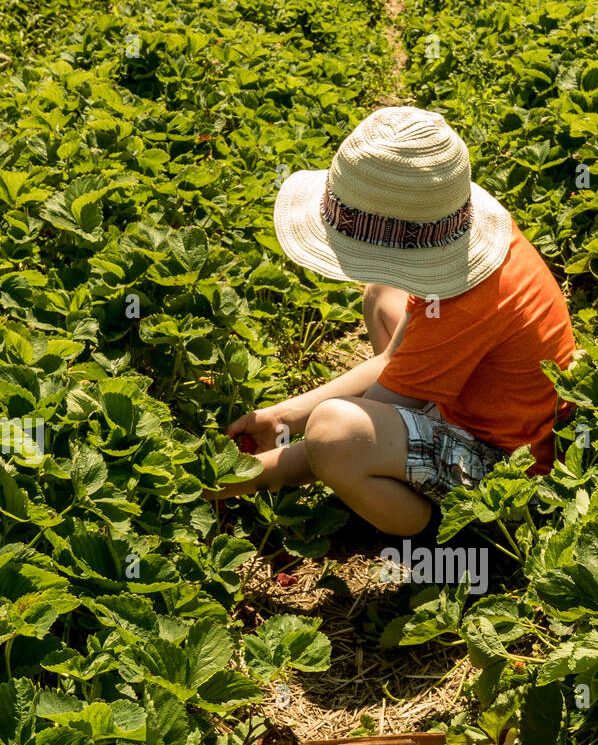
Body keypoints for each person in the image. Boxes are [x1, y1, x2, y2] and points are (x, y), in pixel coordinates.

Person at [214, 106, 575, 537]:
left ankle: (442, 529)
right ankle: (394, 457)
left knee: (335, 434)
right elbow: (392, 361)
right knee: (381, 293)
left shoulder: (464, 301)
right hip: (470, 402)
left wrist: (243, 477)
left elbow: (337, 436)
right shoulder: (453, 240)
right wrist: (282, 418)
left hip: (509, 468)